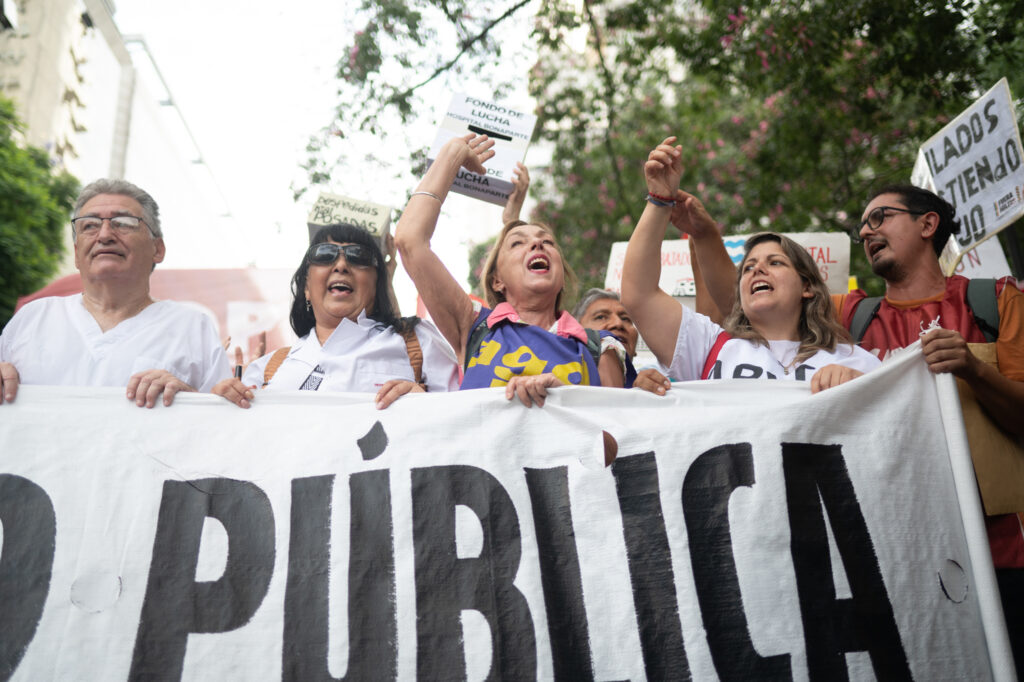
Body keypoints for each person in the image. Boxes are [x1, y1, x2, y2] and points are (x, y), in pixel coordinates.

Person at [836, 184, 1024, 667]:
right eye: (863, 226)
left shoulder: (995, 300)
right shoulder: (848, 317)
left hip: (1001, 554)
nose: (866, 231)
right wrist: (698, 230)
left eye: (880, 218)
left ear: (927, 224)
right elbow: (748, 314)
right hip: (896, 559)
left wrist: (973, 369)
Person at [622, 137, 879, 391]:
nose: (757, 269)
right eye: (747, 268)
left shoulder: (855, 362)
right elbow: (639, 295)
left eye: (776, 262)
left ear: (807, 287)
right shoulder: (709, 346)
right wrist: (659, 200)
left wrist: (858, 385)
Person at [394, 134, 625, 407]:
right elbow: (410, 241)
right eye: (518, 244)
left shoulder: (600, 346)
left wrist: (564, 398)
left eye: (548, 241)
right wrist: (452, 155)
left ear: (561, 275)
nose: (538, 243)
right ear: (497, 281)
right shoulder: (474, 327)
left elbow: (617, 435)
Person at [0, 178, 230, 407]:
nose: (105, 235)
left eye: (124, 223)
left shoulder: (191, 328)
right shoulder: (33, 319)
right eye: (90, 226)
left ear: (157, 249)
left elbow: (220, 425)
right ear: (77, 252)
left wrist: (190, 399)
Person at [212, 223, 459, 409]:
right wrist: (218, 402)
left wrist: (425, 404)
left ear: (377, 286)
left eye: (358, 256)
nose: (341, 265)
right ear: (307, 289)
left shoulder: (417, 342)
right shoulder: (267, 369)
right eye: (324, 254)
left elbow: (466, 417)